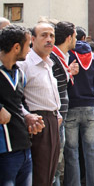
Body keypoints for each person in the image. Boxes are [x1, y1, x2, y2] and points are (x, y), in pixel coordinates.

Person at [17, 22, 62, 186]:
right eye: (44, 35)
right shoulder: (25, 64)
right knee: (39, 175)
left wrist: (58, 115)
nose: (49, 39)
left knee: (49, 174)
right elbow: (14, 98)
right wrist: (26, 116)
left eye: (52, 36)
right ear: (33, 39)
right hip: (36, 123)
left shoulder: (48, 63)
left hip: (52, 121)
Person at [0, 24, 44, 185]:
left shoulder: (19, 73)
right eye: (28, 45)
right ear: (17, 47)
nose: (29, 50)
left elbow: (19, 103)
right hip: (4, 151)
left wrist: (28, 116)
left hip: (23, 148)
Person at [64, 27, 94, 186]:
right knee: (92, 151)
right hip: (89, 106)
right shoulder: (92, 57)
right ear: (84, 38)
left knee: (72, 152)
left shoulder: (68, 56)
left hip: (72, 106)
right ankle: (93, 182)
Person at [50, 21, 79, 186]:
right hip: (55, 116)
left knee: (58, 161)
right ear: (69, 38)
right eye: (75, 36)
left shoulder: (61, 57)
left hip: (60, 115)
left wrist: (68, 74)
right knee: (55, 162)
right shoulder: (53, 58)